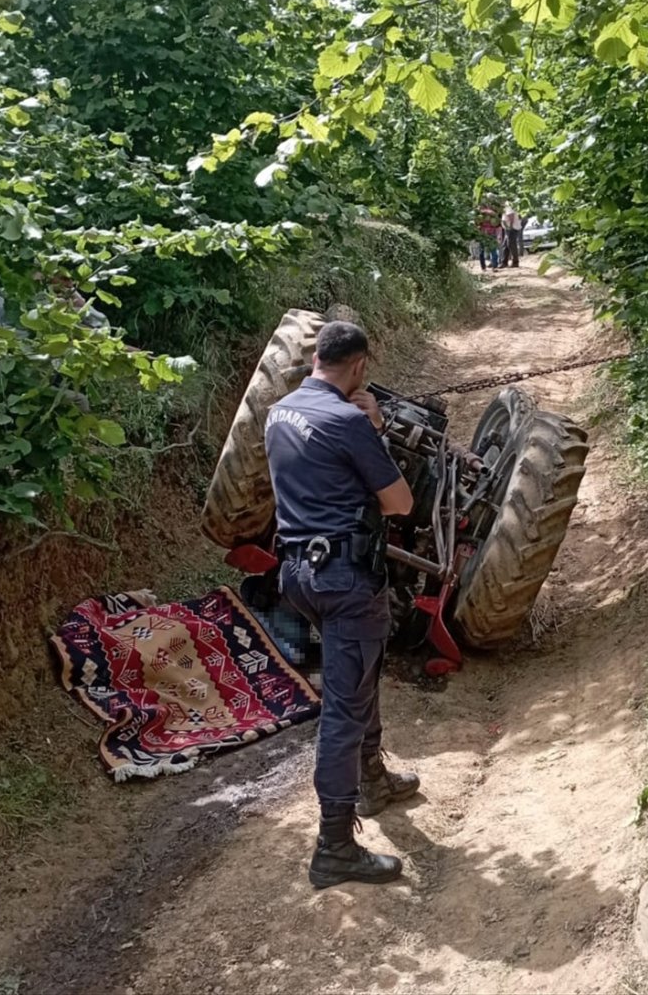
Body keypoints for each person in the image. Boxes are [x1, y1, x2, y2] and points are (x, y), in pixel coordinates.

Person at [265, 320, 417, 890]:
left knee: (357, 677)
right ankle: (333, 847)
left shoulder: (279, 413)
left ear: (314, 361)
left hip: (300, 574)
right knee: (343, 708)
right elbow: (399, 502)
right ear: (357, 367)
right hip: (345, 579)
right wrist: (373, 428)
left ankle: (373, 780)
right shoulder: (351, 420)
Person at [476, 201, 501, 271]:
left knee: (484, 251)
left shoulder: (485, 213)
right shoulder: (484, 215)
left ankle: (486, 267)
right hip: (488, 234)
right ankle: (493, 267)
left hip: (485, 234)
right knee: (492, 251)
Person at [501, 201, 521, 268]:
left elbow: (511, 216)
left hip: (512, 228)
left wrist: (510, 227)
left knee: (511, 244)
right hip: (508, 228)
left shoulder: (508, 205)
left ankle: (515, 262)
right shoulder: (504, 207)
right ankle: (504, 262)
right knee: (505, 245)